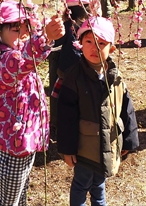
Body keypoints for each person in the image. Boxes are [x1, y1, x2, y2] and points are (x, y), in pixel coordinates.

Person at [0, 0, 65, 206]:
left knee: (20, 196)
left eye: (26, 27)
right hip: (13, 148)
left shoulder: (17, 54)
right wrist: (45, 37)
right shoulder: (1, 62)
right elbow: (20, 61)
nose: (24, 33)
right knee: (8, 202)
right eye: (16, 29)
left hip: (24, 143)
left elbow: (27, 56)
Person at [57, 17, 139, 206]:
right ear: (80, 45)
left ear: (111, 48)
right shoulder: (74, 77)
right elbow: (66, 117)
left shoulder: (116, 77)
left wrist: (128, 139)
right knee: (81, 184)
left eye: (101, 43)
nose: (94, 48)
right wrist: (67, 149)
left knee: (99, 183)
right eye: (89, 42)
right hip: (84, 147)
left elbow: (126, 107)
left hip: (108, 143)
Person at [48, 0, 92, 130]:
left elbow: (56, 42)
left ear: (68, 10)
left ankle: (61, 123)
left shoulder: (68, 26)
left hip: (66, 72)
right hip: (85, 70)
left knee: (63, 100)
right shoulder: (91, 25)